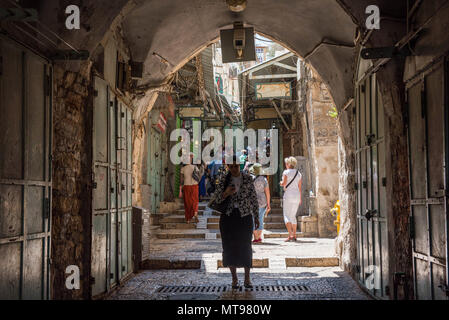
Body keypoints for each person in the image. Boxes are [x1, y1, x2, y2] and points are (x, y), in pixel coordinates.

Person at [211, 156, 259, 288]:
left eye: (235, 166)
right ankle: (234, 279)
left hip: (245, 216)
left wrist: (257, 216)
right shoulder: (223, 179)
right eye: (230, 167)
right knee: (229, 247)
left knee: (245, 246)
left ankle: (247, 279)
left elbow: (253, 198)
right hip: (228, 216)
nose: (233, 169)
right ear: (227, 167)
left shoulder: (248, 178)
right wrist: (226, 193)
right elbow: (216, 199)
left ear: (239, 165)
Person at [279, 157, 302, 242]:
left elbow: (284, 183)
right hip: (296, 195)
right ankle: (295, 235)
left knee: (286, 215)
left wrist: (281, 183)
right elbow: (300, 186)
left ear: (288, 164)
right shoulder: (298, 173)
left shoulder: (286, 172)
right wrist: (300, 198)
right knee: (293, 216)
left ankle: (290, 235)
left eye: (286, 163)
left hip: (288, 195)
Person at [251, 164, 271, 243]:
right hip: (262, 202)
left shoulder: (250, 179)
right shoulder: (264, 179)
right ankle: (258, 237)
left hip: (253, 202)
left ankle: (255, 237)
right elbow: (267, 192)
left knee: (253, 219)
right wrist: (268, 204)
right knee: (260, 219)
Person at [179, 153, 199, 224]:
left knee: (187, 202)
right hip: (195, 186)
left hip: (186, 186)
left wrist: (180, 188)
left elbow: (181, 180)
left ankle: (188, 219)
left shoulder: (183, 169)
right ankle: (195, 213)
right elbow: (198, 177)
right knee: (195, 200)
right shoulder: (195, 167)